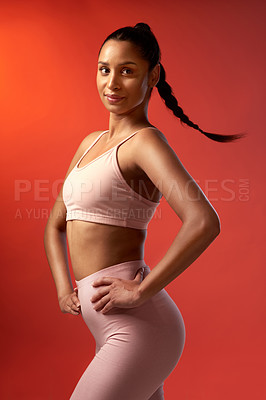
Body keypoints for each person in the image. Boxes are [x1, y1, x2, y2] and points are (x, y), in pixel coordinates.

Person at [43, 22, 245, 400]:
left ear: (152, 76)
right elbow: (55, 225)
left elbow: (204, 221)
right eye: (105, 69)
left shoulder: (145, 143)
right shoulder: (90, 143)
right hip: (107, 329)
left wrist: (141, 292)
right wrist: (61, 288)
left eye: (127, 70)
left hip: (138, 330)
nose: (112, 83)